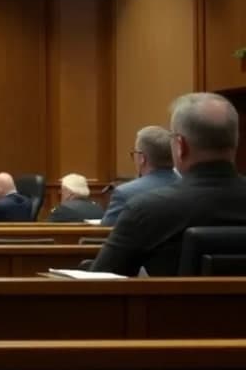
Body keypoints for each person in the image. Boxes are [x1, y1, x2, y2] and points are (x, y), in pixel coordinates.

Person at [91, 92, 246, 276]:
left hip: (179, 306)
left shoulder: (147, 209)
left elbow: (102, 281)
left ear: (180, 146)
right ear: (235, 142)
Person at [100, 125, 179, 226]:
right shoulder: (189, 188)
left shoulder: (125, 193)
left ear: (142, 158)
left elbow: (104, 233)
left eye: (135, 153)